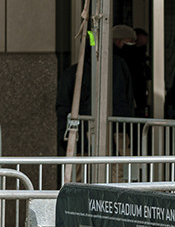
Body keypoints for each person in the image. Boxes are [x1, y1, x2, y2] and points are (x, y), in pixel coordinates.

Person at [54, 25, 138, 154]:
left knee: (83, 172)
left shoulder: (73, 73)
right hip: (116, 130)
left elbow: (63, 107)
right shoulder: (119, 66)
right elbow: (127, 99)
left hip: (82, 135)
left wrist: (63, 135)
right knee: (117, 171)